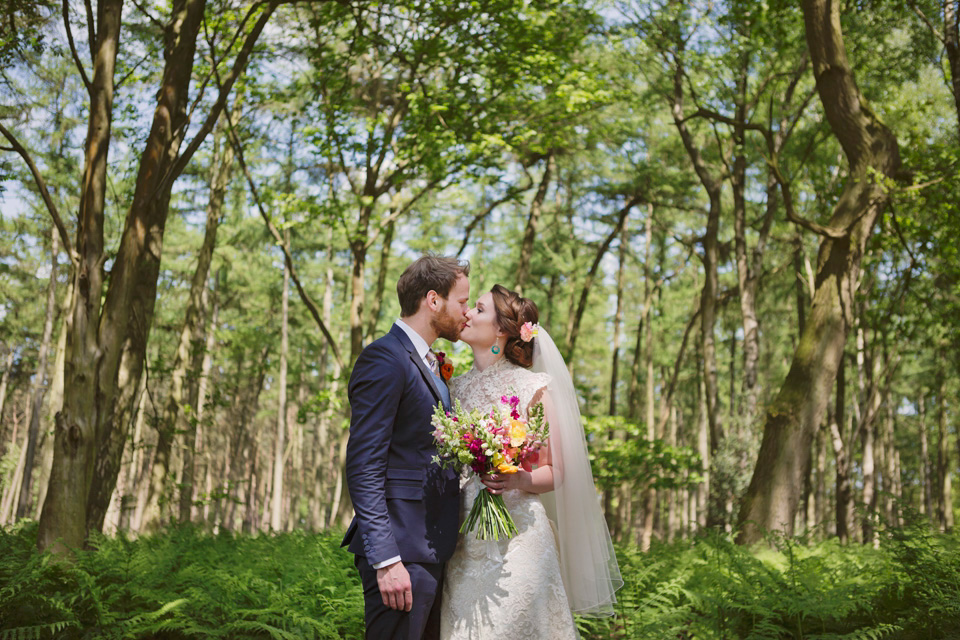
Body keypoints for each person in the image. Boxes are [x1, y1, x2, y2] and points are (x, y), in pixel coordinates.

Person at [440, 284, 623, 639]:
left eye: (478, 309)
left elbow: (555, 470)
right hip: (464, 540)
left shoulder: (533, 387)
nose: (467, 314)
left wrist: (517, 480)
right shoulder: (452, 389)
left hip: (519, 541)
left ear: (502, 330)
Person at [343, 255, 471, 639]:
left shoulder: (429, 364)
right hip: (401, 552)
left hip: (428, 549)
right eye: (462, 302)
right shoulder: (385, 358)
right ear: (433, 300)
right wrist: (386, 560)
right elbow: (364, 465)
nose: (466, 312)